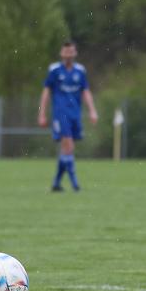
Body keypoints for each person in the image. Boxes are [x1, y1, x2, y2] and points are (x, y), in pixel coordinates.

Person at [37, 41, 98, 192]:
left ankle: (56, 183)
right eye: (66, 52)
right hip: (60, 112)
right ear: (61, 53)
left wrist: (92, 110)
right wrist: (42, 113)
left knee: (67, 149)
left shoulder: (80, 71)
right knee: (68, 145)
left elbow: (86, 91)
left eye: (71, 52)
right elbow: (46, 92)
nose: (68, 55)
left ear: (75, 53)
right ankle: (75, 184)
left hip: (75, 113)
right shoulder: (54, 70)